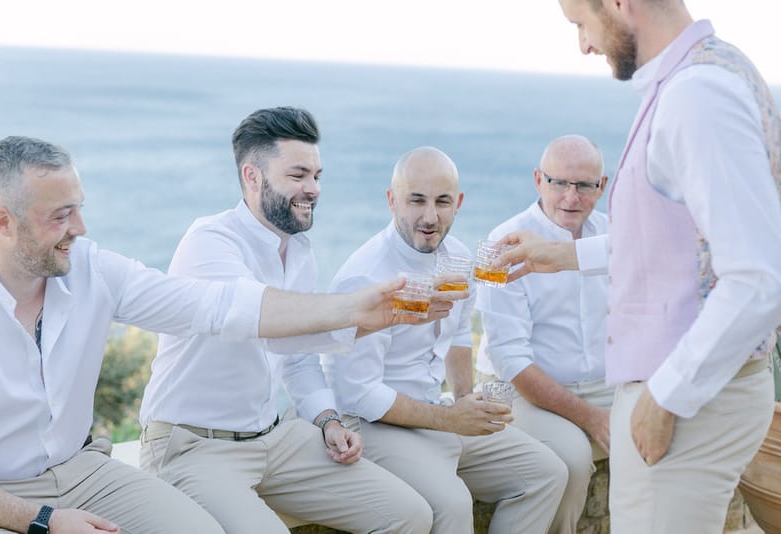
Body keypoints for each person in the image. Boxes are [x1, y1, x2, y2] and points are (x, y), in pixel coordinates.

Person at [0, 134, 427, 534]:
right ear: (3, 222)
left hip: (82, 471)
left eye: (79, 209)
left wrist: (351, 312)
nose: (80, 228)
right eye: (61, 215)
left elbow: (216, 306)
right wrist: (43, 520)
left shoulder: (93, 269)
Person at [494, 2, 781, 532]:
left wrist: (665, 395)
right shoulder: (708, 74)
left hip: (686, 404)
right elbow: (673, 243)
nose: (583, 44)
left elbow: (759, 277)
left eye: (581, 21)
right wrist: (559, 255)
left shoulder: (697, 95)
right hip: (696, 395)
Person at [139, 107, 440, 534]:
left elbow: (297, 356)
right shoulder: (210, 241)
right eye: (298, 175)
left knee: (410, 514)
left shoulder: (300, 252)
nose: (313, 189)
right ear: (253, 176)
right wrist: (362, 310)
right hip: (194, 445)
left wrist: (327, 419)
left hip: (273, 438)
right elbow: (260, 317)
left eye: (317, 176)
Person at [323, 146, 568, 534]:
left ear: (459, 204)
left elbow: (457, 333)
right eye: (416, 201)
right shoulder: (366, 276)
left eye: (442, 202)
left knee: (547, 472)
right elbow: (359, 395)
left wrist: (466, 398)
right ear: (392, 201)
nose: (430, 217)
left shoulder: (455, 256)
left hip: (434, 411)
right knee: (452, 504)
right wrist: (450, 418)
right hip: (374, 423)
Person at [475, 134, 610, 534]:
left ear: (601, 187)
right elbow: (508, 358)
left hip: (602, 384)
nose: (571, 197)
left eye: (584, 185)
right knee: (569, 458)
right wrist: (592, 419)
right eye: (559, 183)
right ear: (538, 180)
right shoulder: (499, 244)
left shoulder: (614, 237)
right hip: (517, 389)